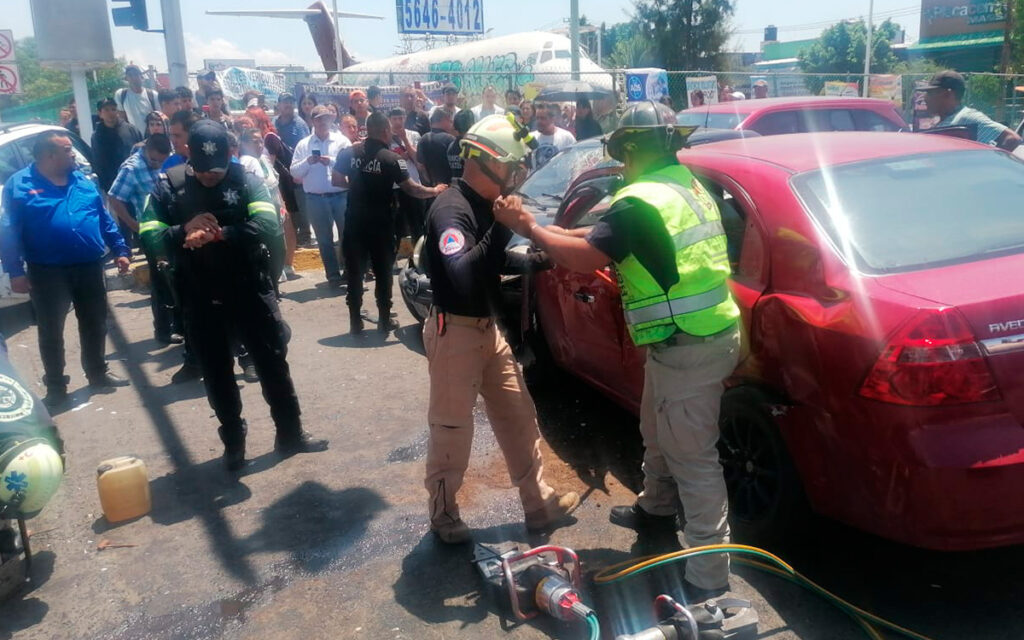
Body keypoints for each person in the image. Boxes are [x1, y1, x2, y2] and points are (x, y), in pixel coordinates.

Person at [492, 101, 741, 603]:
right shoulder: (681, 184)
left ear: (630, 147)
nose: (621, 165)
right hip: (699, 336)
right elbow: (601, 235)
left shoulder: (641, 198)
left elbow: (587, 257)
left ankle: (711, 579)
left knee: (693, 458)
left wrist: (530, 229)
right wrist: (552, 234)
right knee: (656, 428)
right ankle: (654, 510)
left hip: (688, 343)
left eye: (622, 154)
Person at [421, 114, 579, 543]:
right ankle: (443, 513)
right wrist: (503, 227)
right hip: (454, 331)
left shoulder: (479, 206)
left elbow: (488, 262)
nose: (515, 177)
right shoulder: (451, 209)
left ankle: (538, 502)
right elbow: (462, 274)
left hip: (486, 330)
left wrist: (532, 259)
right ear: (490, 163)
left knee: (517, 414)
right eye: (512, 167)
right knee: (452, 426)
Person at [139, 121, 328, 471]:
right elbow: (148, 233)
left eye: (218, 170)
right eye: (204, 171)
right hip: (199, 295)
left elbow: (268, 225)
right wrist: (184, 230)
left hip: (248, 289)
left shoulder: (246, 180)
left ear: (229, 155)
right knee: (216, 372)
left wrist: (219, 234)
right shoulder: (170, 186)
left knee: (272, 363)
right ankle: (234, 442)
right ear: (188, 156)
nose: (212, 177)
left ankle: (291, 433)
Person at [0, 131, 132, 407]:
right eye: (68, 150)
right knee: (51, 329)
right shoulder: (20, 184)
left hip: (88, 265)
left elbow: (102, 217)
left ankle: (97, 373)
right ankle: (57, 386)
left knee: (95, 321)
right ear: (50, 155)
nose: (73, 154)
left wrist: (120, 249)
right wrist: (15, 272)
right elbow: (9, 231)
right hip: (47, 271)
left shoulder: (80, 179)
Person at [335, 112, 444, 334]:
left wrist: (358, 187)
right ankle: (385, 320)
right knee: (383, 272)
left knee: (355, 271)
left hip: (354, 221)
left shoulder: (348, 153)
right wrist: (435, 190)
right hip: (380, 224)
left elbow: (336, 180)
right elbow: (412, 189)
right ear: (385, 131)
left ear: (367, 129)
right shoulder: (392, 159)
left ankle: (355, 320)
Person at [107, 134, 179, 345]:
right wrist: (133, 225)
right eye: (154, 160)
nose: (158, 164)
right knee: (161, 282)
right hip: (152, 234)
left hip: (172, 229)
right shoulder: (132, 168)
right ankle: (163, 331)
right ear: (146, 149)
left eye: (162, 161)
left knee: (176, 278)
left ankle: (180, 325)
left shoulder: (167, 160)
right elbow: (114, 197)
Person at [291, 105, 352, 288]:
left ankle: (350, 272)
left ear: (331, 119)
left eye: (325, 117)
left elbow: (351, 165)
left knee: (347, 236)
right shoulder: (304, 144)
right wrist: (308, 161)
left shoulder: (342, 141)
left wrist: (331, 161)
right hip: (315, 198)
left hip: (341, 195)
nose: (322, 121)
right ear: (312, 121)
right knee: (324, 239)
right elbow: (294, 172)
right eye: (318, 118)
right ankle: (333, 275)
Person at [922, 70, 1021, 151]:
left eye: (931, 93)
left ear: (948, 94)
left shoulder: (966, 118)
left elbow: (1012, 139)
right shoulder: (940, 121)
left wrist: (985, 166)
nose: (925, 98)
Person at [239, 128, 288, 287]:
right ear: (244, 144)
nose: (259, 145)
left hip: (276, 211)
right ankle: (270, 287)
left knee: (279, 251)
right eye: (254, 141)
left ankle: (274, 286)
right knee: (272, 252)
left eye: (261, 141)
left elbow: (274, 184)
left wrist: (282, 205)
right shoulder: (247, 162)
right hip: (263, 215)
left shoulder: (264, 159)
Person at [387, 107, 427, 244]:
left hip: (413, 184)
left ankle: (419, 257)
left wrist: (405, 139)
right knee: (395, 227)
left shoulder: (414, 135)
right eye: (394, 119)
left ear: (405, 118)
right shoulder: (385, 138)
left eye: (400, 118)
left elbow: (418, 159)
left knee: (417, 225)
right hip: (394, 187)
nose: (398, 122)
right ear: (389, 120)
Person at [91, 97, 142, 195]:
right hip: (112, 188)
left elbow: (141, 153)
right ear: (100, 113)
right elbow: (98, 163)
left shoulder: (130, 130)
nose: (111, 113)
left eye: (113, 109)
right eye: (106, 110)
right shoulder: (97, 136)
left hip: (135, 183)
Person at [530, 103, 576, 170]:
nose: (539, 121)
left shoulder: (566, 137)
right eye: (537, 118)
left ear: (552, 119)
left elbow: (574, 161)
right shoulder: (531, 138)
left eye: (543, 118)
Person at [417, 109, 456, 188]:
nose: (452, 125)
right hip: (450, 188)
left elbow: (421, 166)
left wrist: (430, 185)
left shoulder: (423, 139)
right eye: (450, 121)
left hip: (432, 189)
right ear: (445, 120)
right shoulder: (450, 139)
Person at [116, 64, 160, 133]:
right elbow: (122, 118)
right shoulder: (121, 95)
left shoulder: (153, 95)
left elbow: (159, 117)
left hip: (152, 138)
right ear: (127, 78)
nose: (133, 78)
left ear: (141, 77)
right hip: (133, 138)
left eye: (136, 74)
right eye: (130, 75)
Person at [447, 109, 475, 182]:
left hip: (456, 187)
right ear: (472, 124)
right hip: (471, 189)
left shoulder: (451, 147)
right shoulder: (472, 147)